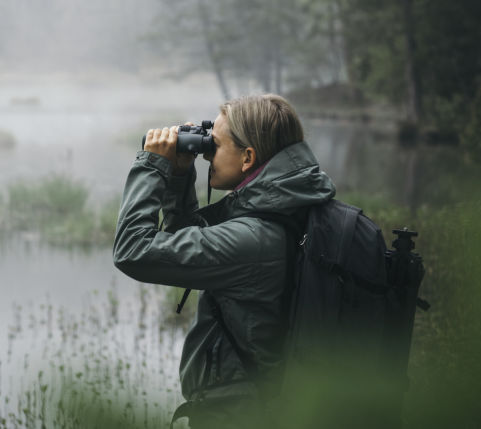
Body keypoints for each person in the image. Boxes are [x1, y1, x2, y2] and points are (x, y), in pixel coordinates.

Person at [113, 94, 336, 428]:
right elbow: (187, 251)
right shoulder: (289, 208)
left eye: (214, 145)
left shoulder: (255, 239)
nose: (206, 155)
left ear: (248, 157)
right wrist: (178, 175)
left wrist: (152, 165)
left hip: (240, 415)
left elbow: (133, 250)